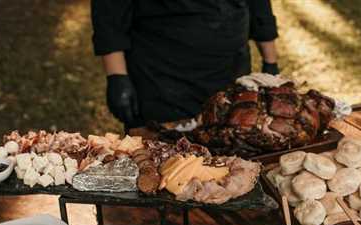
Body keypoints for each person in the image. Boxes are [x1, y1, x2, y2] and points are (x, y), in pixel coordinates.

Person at [91, 0, 279, 129]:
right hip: (162, 78)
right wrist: (117, 76)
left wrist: (270, 63)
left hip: (230, 71)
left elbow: (259, 6)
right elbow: (109, 12)